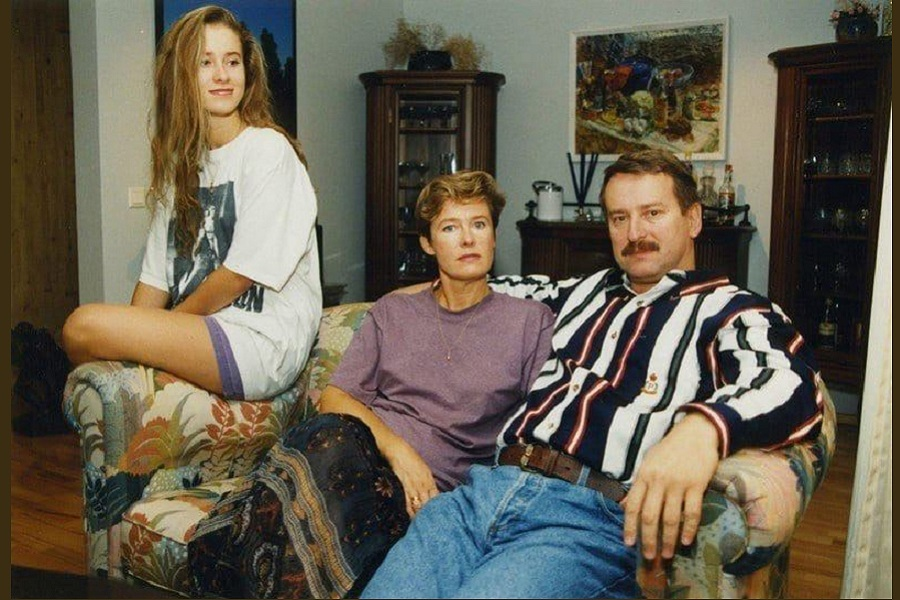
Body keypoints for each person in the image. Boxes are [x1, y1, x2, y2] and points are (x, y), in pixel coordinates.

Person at [361, 149, 825, 599]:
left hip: (582, 520)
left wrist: (702, 431)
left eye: (653, 213)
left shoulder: (732, 309)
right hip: (480, 493)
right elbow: (474, 287)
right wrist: (390, 307)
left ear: (693, 219)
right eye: (619, 218)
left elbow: (791, 383)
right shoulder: (581, 293)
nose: (635, 232)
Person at [187, 170, 555, 598]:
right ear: (427, 243)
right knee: (328, 436)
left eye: (479, 224)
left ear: (494, 236)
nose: (468, 239)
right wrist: (400, 452)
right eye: (450, 228)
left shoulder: (529, 321)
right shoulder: (393, 312)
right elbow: (334, 397)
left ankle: (234, 541)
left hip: (434, 492)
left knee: (319, 477)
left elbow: (539, 429)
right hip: (363, 457)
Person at [61, 6, 321, 401]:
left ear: (247, 72)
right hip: (203, 333)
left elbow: (238, 276)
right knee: (82, 336)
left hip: (261, 343)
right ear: (183, 76)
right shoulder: (181, 169)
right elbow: (153, 283)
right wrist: (144, 332)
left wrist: (157, 333)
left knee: (83, 325)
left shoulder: (268, 149)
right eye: (206, 62)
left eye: (232, 61)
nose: (222, 74)